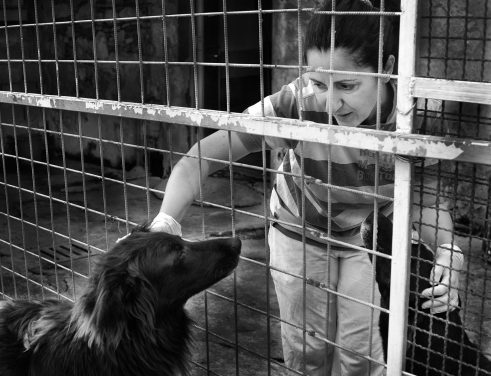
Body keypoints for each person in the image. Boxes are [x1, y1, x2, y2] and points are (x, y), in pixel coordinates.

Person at [146, 0, 464, 375]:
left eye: (347, 85)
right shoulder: (296, 101)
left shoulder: (415, 117)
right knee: (307, 353)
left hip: (368, 239)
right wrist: (165, 221)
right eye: (318, 82)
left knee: (361, 356)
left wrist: (447, 248)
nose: (330, 103)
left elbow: (425, 196)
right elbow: (203, 155)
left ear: (388, 69)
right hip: (297, 231)